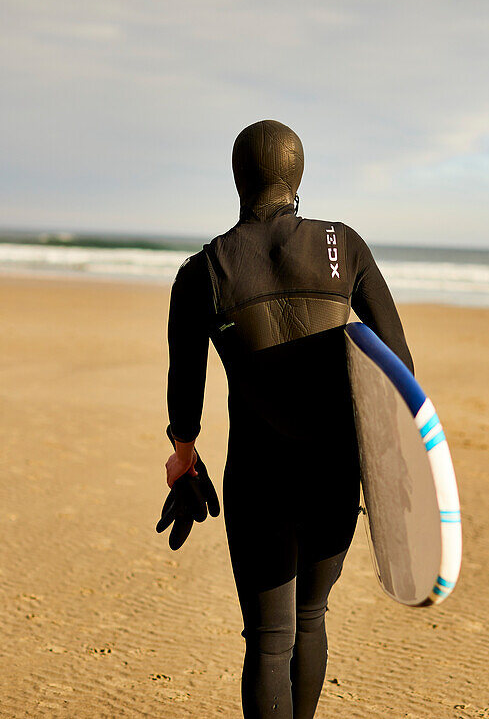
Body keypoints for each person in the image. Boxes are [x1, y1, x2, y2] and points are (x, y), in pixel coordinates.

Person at [163, 119, 413, 719]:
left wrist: (184, 458)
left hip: (258, 474)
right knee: (311, 618)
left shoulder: (201, 273)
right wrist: (396, 471)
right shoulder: (344, 245)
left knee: (269, 641)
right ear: (297, 179)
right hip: (333, 473)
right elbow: (397, 367)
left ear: (237, 178)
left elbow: (185, 396)